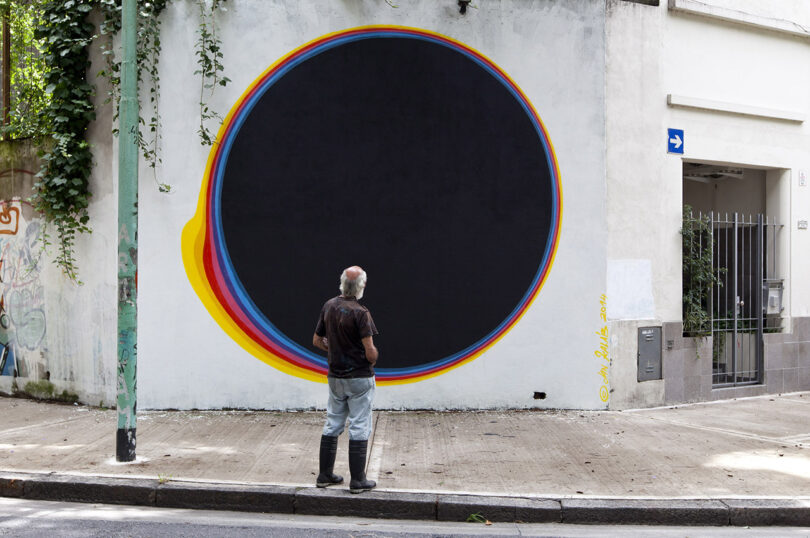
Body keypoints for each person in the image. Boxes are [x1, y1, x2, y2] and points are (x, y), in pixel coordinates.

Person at [312, 265, 379, 493]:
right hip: (359, 377)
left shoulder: (329, 306)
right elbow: (370, 351)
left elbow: (317, 340)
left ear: (342, 283)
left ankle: (324, 475)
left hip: (335, 376)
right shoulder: (361, 313)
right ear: (362, 286)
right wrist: (373, 358)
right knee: (360, 424)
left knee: (333, 422)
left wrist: (334, 350)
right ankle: (358, 480)